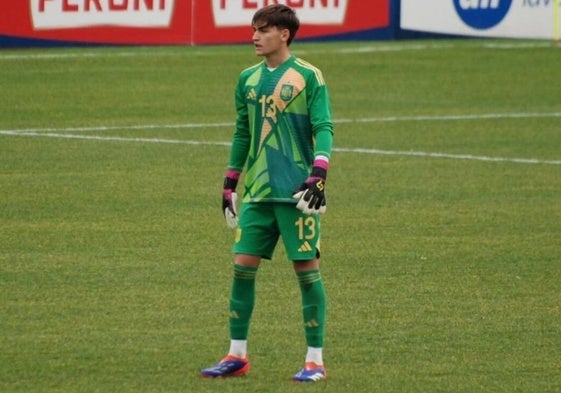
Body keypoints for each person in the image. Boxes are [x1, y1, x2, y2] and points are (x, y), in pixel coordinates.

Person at [200, 4, 334, 382]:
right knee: (241, 268)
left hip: (297, 193)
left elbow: (324, 126)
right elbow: (243, 132)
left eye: (263, 30)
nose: (254, 37)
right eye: (254, 30)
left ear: (284, 34)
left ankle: (315, 361)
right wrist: (230, 183)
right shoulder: (246, 79)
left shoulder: (309, 76)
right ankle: (236, 355)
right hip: (257, 192)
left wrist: (319, 173)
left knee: (307, 272)